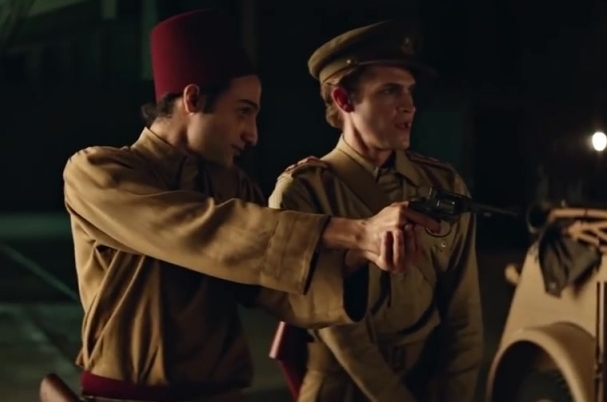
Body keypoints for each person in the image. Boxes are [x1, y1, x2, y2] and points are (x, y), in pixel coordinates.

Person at [62, 10, 439, 402]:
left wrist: (358, 257)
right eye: (243, 111)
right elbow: (204, 229)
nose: (252, 134)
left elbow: (273, 285)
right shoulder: (98, 172)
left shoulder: (232, 184)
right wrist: (355, 232)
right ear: (193, 99)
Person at [268, 20, 484, 402]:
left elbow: (464, 313)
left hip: (428, 383)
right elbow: (334, 326)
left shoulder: (443, 185)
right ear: (344, 100)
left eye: (410, 91)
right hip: (342, 387)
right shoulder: (304, 192)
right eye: (389, 90)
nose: (409, 105)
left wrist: (455, 393)